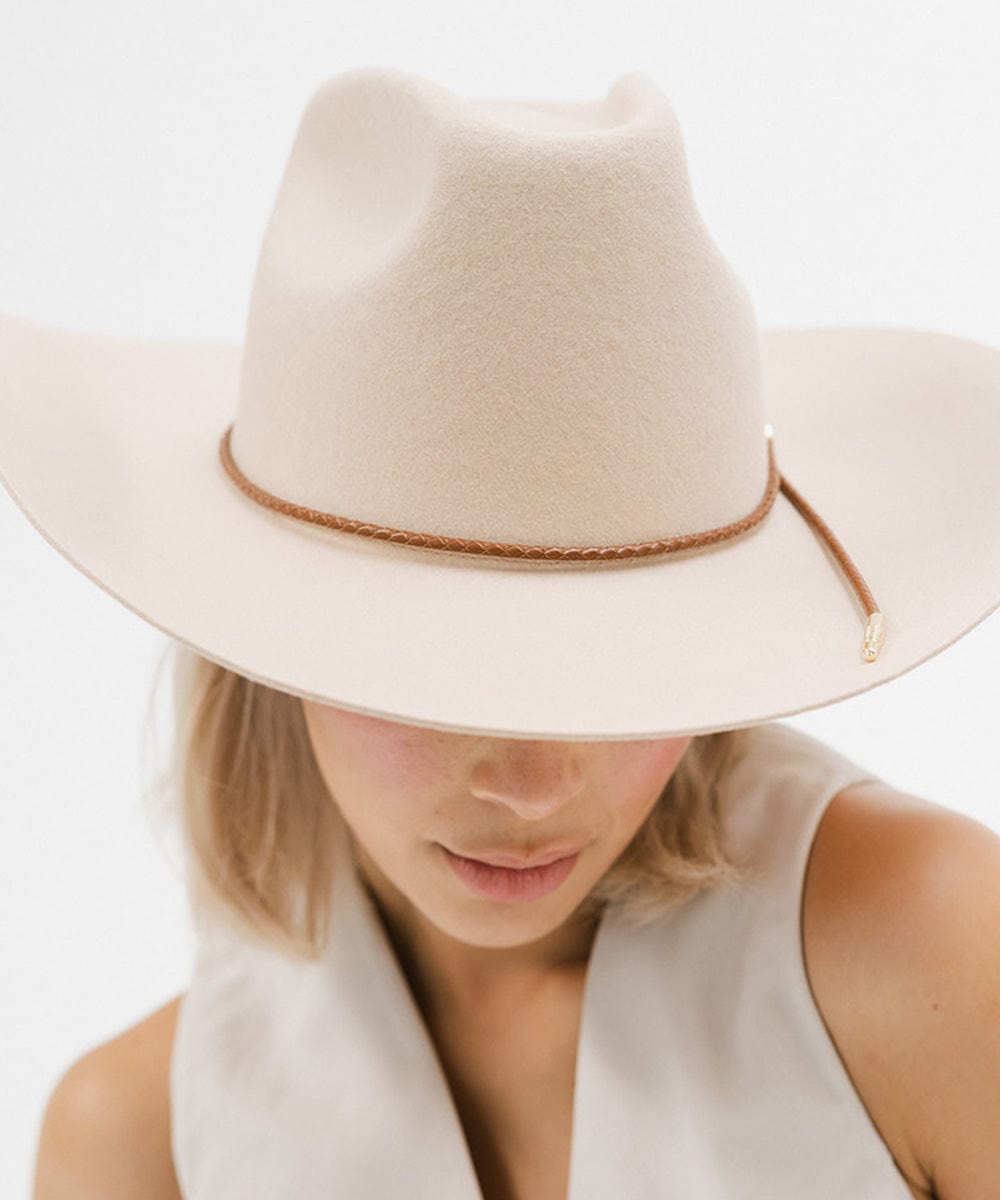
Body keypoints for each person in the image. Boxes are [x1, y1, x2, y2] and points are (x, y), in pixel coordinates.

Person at [5, 64, 999, 1200]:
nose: (529, 787)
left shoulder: (933, 951)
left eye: (614, 674)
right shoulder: (137, 1149)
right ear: (264, 644)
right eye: (432, 680)